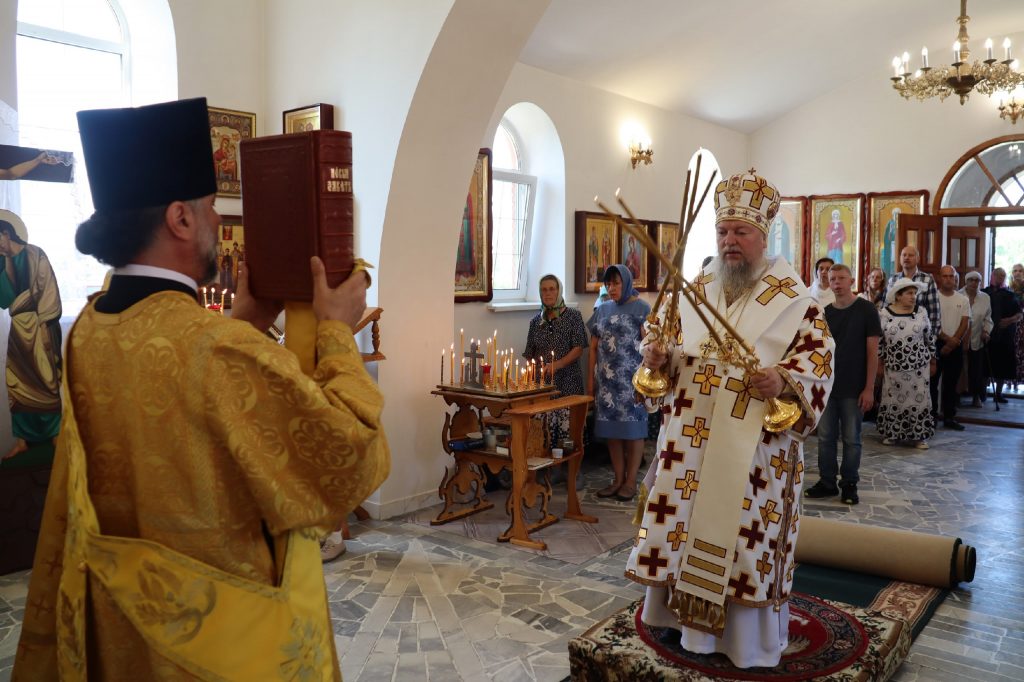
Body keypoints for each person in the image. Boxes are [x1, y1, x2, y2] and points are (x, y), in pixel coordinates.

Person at [12, 98, 389, 681]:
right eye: (211, 206)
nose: (218, 221)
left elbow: (183, 408)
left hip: (122, 627)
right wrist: (337, 331)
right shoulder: (217, 349)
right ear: (180, 220)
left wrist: (245, 324)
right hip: (217, 640)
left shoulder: (90, 327)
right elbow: (351, 457)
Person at [625, 170, 834, 668]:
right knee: (680, 531)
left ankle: (743, 642)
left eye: (740, 231)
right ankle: (678, 623)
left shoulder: (797, 302)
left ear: (763, 236)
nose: (729, 241)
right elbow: (664, 351)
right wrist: (657, 357)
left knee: (744, 542)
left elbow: (819, 362)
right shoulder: (693, 290)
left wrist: (783, 380)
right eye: (723, 231)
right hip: (690, 445)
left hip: (754, 451)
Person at [805, 263, 880, 505]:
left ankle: (849, 483)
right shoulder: (826, 312)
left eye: (841, 278)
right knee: (825, 437)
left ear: (851, 281)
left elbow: (872, 352)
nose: (836, 283)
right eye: (832, 279)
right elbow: (819, 351)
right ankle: (827, 481)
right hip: (828, 386)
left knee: (851, 438)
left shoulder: (866, 309)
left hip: (854, 386)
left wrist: (869, 388)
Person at [0, 212, 63, 462]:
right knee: (16, 382)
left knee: (46, 380)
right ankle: (22, 440)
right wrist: (5, 264)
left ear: (6, 233)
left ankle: (55, 434)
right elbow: (4, 300)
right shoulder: (2, 262)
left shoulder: (36, 254)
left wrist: (46, 326)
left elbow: (48, 291)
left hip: (39, 325)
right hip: (19, 328)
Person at [586, 264, 650, 502]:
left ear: (627, 282)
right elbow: (593, 348)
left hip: (633, 384)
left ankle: (630, 481)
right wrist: (591, 382)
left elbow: (649, 346)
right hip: (607, 384)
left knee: (633, 432)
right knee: (612, 433)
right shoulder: (602, 310)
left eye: (616, 283)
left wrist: (647, 382)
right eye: (608, 284)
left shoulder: (642, 309)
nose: (611, 288)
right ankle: (617, 479)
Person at [523, 274, 588, 445]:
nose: (548, 293)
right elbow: (529, 353)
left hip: (568, 381)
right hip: (544, 385)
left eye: (552, 289)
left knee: (568, 432)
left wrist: (557, 365)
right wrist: (530, 381)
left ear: (559, 291)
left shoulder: (573, 316)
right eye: (544, 290)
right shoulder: (536, 322)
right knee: (543, 433)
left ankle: (569, 459)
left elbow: (579, 348)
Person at [877, 278, 935, 449]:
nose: (913, 296)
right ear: (898, 295)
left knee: (919, 401)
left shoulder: (921, 312)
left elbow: (929, 338)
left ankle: (919, 436)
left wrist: (933, 360)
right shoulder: (885, 314)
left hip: (919, 368)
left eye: (915, 293)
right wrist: (879, 362)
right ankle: (892, 434)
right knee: (893, 399)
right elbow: (879, 341)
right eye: (909, 293)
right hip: (893, 367)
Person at [932, 265, 970, 430]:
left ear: (956, 278)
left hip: (956, 344)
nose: (948, 279)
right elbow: (931, 322)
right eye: (945, 276)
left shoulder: (963, 299)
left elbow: (965, 323)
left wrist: (953, 342)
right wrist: (947, 340)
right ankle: (932, 417)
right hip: (936, 343)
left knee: (951, 383)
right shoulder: (933, 297)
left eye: (951, 276)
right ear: (939, 278)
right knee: (932, 383)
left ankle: (949, 417)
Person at [983, 267, 1022, 403]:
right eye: (998, 275)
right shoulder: (984, 293)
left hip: (1005, 336)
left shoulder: (1010, 295)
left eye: (1003, 275)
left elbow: (1019, 314)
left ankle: (998, 394)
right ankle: (982, 393)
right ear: (992, 276)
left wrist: (1009, 320)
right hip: (986, 334)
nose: (1000, 277)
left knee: (1003, 365)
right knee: (985, 365)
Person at [888, 245, 940, 338]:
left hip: (919, 336)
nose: (906, 258)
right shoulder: (893, 279)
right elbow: (887, 306)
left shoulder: (927, 279)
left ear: (917, 259)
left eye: (910, 255)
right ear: (900, 258)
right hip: (895, 334)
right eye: (904, 255)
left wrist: (932, 339)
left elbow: (934, 313)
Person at [960, 271, 993, 408]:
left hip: (977, 338)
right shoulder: (958, 295)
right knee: (959, 369)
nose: (974, 283)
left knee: (976, 370)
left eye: (977, 280)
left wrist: (986, 330)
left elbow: (988, 318)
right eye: (971, 280)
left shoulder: (985, 297)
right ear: (966, 281)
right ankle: (956, 396)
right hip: (959, 338)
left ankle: (976, 396)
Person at [1012, 263, 1024, 384]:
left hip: (1022, 323)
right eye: (1015, 271)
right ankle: (1011, 380)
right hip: (1011, 323)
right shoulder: (1008, 287)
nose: (1018, 273)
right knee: (1012, 351)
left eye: (1020, 271)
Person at [880, 207, 900, 278]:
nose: (896, 215)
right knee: (892, 260)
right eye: (895, 214)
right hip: (892, 245)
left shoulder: (902, 222)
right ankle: (891, 275)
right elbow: (887, 236)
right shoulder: (890, 223)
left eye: (898, 214)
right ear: (893, 214)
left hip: (899, 245)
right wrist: (890, 234)